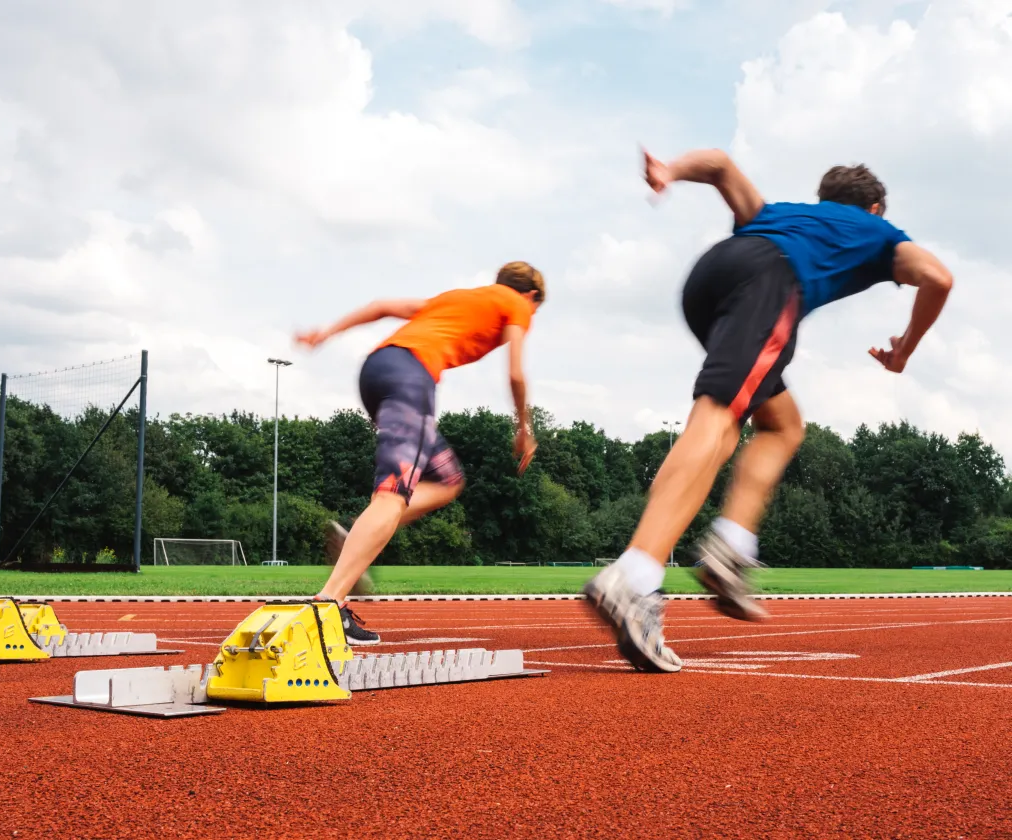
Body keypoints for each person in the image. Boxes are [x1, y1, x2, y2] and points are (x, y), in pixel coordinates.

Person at [586, 148, 954, 673]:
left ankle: (731, 546)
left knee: (781, 424)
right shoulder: (879, 232)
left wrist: (668, 171)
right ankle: (635, 574)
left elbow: (718, 165)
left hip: (709, 281)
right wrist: (904, 350)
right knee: (718, 418)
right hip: (769, 282)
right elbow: (938, 278)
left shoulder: (782, 212)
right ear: (874, 208)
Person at [295, 262, 546, 645]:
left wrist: (326, 333)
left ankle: (358, 530)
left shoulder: (459, 299)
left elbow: (381, 306)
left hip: (377, 370)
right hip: (411, 379)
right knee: (392, 494)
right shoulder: (517, 305)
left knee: (447, 481)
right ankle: (329, 605)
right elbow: (515, 374)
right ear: (531, 295)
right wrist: (523, 428)